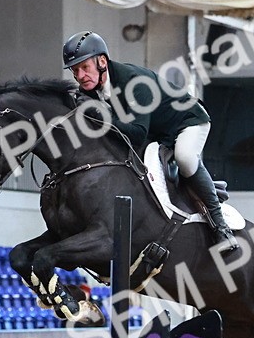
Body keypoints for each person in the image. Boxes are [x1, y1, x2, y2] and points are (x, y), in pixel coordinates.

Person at [61, 30, 238, 253]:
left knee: (184, 158)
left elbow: (135, 135)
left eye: (84, 67)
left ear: (102, 61)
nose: (80, 75)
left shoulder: (135, 82)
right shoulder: (89, 92)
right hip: (156, 132)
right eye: (75, 71)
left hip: (186, 121)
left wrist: (101, 117)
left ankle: (220, 226)